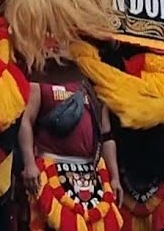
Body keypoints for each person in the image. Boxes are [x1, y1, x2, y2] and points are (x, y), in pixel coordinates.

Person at [20, 73, 123, 231]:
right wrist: (29, 164)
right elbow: (26, 121)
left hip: (92, 173)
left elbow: (106, 135)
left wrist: (114, 177)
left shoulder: (94, 84)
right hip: (51, 168)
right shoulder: (40, 78)